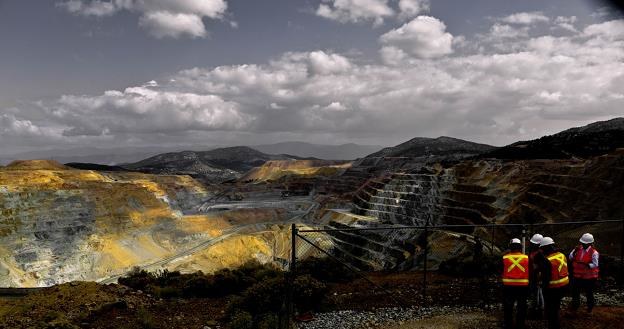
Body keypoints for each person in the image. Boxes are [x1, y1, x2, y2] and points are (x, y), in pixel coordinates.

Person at [537, 237, 569, 329]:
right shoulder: (562, 255)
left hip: (554, 288)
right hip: (564, 285)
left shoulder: (547, 260)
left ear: (547, 248)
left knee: (551, 310)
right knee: (556, 306)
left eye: (542, 248)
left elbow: (546, 279)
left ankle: (554, 325)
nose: (542, 251)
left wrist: (544, 290)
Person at [502, 238, 529, 329]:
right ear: (520, 247)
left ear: (510, 247)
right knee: (522, 306)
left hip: (508, 286)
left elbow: (500, 270)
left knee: (508, 306)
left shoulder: (505, 258)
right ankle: (520, 324)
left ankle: (508, 324)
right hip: (523, 286)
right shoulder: (526, 258)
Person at [569, 233, 599, 313]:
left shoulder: (594, 252)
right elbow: (570, 257)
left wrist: (588, 265)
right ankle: (575, 307)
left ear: (590, 243)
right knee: (575, 292)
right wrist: (574, 252)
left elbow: (595, 264)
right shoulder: (578, 249)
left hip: (589, 277)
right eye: (582, 243)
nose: (583, 244)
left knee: (589, 293)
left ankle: (590, 308)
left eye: (585, 243)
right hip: (578, 275)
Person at [528, 233, 544, 318]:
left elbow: (538, 267)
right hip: (534, 276)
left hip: (536, 276)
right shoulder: (535, 252)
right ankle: (539, 309)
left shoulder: (539, 254)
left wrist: (539, 277)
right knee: (538, 293)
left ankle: (537, 310)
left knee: (537, 293)